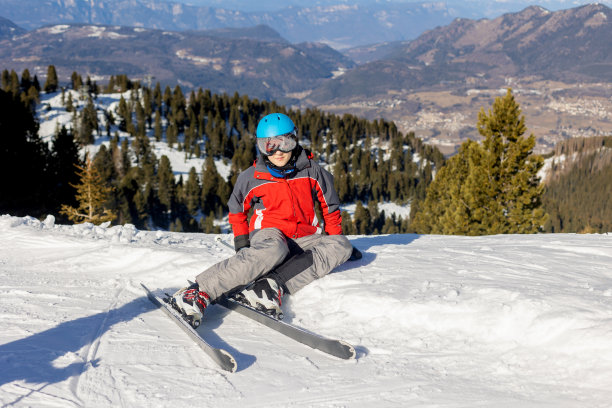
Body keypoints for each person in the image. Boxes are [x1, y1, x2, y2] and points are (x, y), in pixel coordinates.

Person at [170, 112, 354, 328]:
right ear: (260, 147)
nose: (277, 151)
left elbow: (330, 207)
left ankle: (268, 287)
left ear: (294, 140)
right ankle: (198, 292)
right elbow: (236, 208)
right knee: (275, 248)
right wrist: (242, 242)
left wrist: (333, 240)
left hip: (305, 236)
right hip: (269, 234)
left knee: (342, 246)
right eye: (268, 145)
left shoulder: (313, 172)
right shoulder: (252, 176)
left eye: (284, 142)